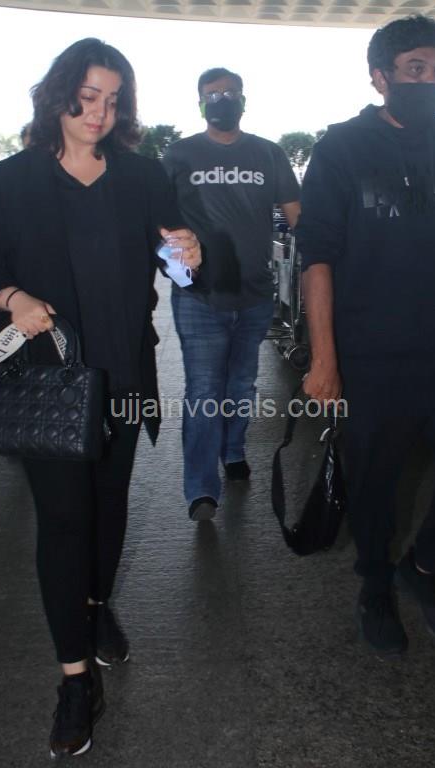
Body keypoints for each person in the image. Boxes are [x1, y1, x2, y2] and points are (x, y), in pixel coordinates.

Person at [0, 38, 201, 758]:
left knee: (108, 506)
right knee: (64, 520)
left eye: (113, 101)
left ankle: (95, 609)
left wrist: (190, 251)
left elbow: (177, 254)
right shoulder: (12, 180)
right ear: (59, 95)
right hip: (51, 381)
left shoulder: (142, 175)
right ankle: (73, 679)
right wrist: (15, 298)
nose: (100, 113)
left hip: (123, 375)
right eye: (88, 97)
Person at [295, 15, 435, 657]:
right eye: (416, 69)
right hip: (371, 356)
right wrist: (324, 360)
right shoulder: (341, 149)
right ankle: (374, 585)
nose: (430, 81)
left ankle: (422, 568)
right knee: (374, 488)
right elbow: (317, 258)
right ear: (380, 77)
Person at [162, 67, 300, 522]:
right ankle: (202, 488)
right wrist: (173, 265)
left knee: (241, 383)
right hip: (199, 296)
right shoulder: (179, 155)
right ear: (200, 104)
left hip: (255, 295)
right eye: (213, 94)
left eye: (230, 93)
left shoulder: (269, 153)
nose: (222, 100)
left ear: (244, 99)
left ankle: (233, 449)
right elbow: (155, 220)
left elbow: (299, 216)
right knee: (205, 389)